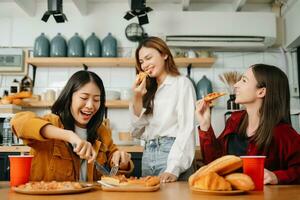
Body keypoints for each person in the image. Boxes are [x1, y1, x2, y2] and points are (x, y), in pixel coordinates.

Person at [11, 70, 133, 182]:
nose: (90, 105)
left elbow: (115, 166)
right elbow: (18, 122)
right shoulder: (52, 122)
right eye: (84, 98)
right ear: (69, 97)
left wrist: (122, 161)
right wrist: (69, 136)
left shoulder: (102, 131)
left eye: (96, 100)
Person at [196, 64, 300, 184]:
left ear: (261, 92)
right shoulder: (234, 121)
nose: (235, 85)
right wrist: (205, 125)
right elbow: (214, 164)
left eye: (244, 80)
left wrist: (276, 176)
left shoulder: (284, 133)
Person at [130, 36, 196, 183]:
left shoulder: (182, 83)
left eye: (148, 58)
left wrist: (173, 168)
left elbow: (186, 129)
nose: (145, 65)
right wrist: (137, 97)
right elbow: (137, 130)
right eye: (141, 62)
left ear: (164, 54)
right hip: (148, 154)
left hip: (171, 154)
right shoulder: (148, 90)